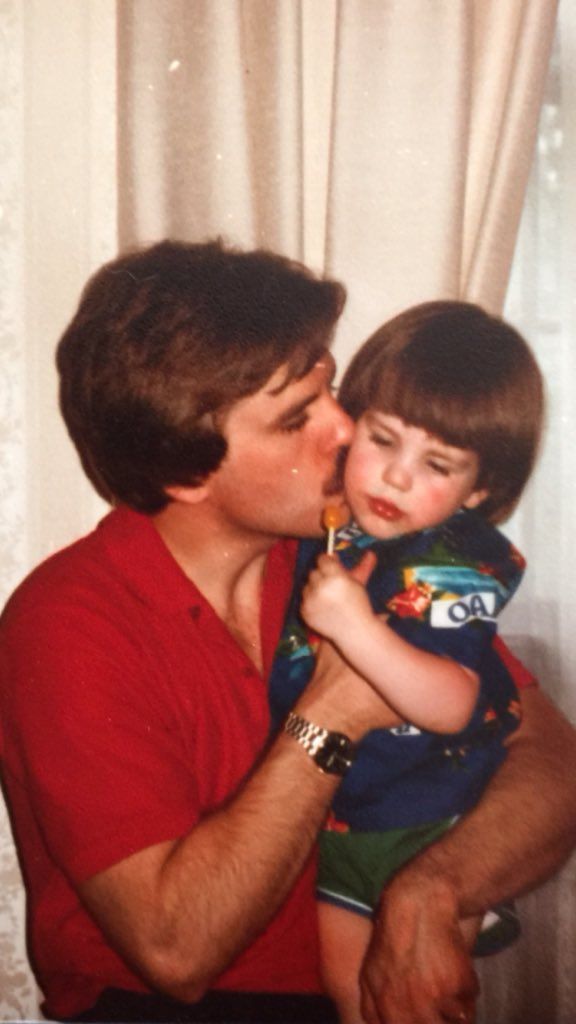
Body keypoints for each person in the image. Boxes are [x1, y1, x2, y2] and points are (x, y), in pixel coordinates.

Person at [0, 241, 575, 1024]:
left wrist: (433, 889)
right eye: (298, 418)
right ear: (187, 471)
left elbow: (553, 761)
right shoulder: (67, 625)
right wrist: (333, 715)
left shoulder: (355, 557)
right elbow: (176, 950)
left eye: (331, 389)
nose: (347, 429)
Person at [269, 301, 543, 1023]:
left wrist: (355, 629)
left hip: (434, 826)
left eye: (437, 465)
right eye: (382, 440)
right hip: (338, 829)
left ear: (477, 491)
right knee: (349, 996)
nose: (394, 477)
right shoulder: (327, 529)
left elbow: (451, 701)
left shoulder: (457, 561)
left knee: (413, 1001)